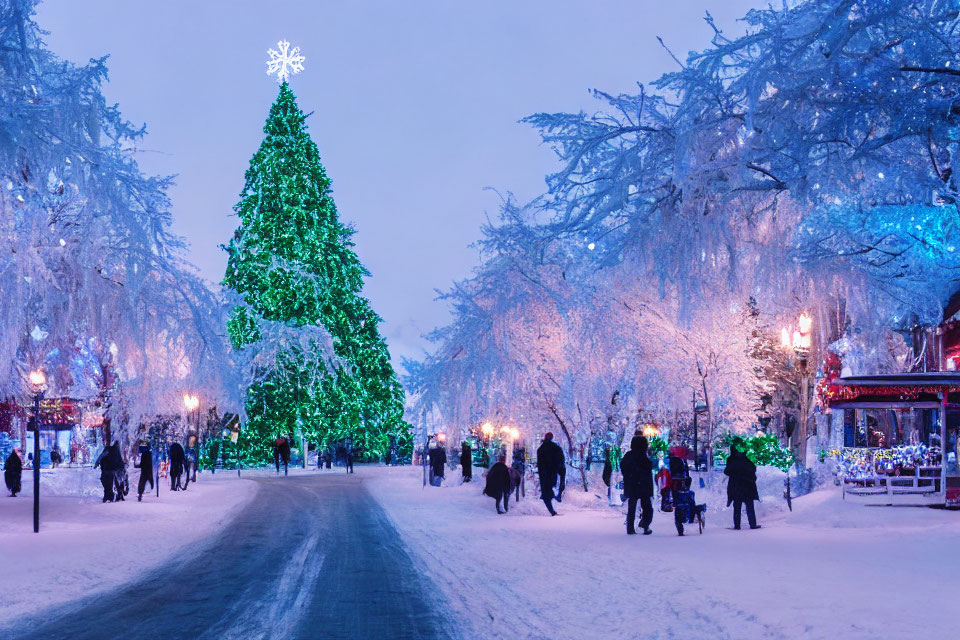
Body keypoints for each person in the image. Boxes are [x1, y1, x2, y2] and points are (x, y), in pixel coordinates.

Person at [621, 436, 654, 535]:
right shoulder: (643, 456)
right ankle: (645, 525)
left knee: (632, 507)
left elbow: (623, 466)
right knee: (647, 506)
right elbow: (648, 467)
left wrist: (628, 476)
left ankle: (630, 528)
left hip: (631, 484)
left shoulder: (628, 455)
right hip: (644, 485)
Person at [725, 441, 761, 530]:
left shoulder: (731, 460)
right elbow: (753, 470)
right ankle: (752, 524)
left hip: (736, 487)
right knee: (749, 506)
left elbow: (727, 471)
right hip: (748, 487)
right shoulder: (747, 461)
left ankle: (737, 525)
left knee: (737, 507)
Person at [536, 432, 565, 516]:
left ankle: (552, 509)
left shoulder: (541, 449)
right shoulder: (555, 448)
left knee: (546, 493)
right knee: (547, 491)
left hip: (545, 474)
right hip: (551, 474)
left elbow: (540, 463)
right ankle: (552, 509)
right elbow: (561, 460)